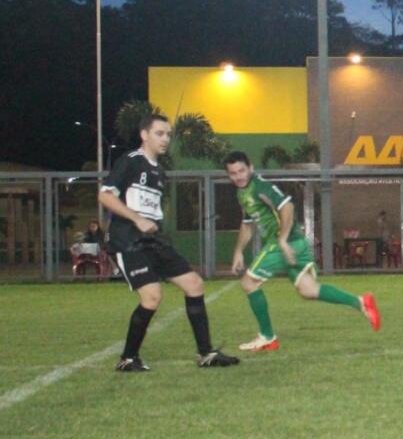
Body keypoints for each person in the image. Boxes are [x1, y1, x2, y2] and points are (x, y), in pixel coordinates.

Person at [98, 112, 239, 371]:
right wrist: (137, 219)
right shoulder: (130, 161)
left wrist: (155, 227)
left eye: (168, 135)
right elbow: (106, 196)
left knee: (194, 284)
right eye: (159, 134)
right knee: (152, 297)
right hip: (128, 240)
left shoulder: (159, 172)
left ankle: (206, 353)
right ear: (144, 135)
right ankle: (128, 358)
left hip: (154, 240)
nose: (165, 139)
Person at [224, 152, 381, 351]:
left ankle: (267, 337)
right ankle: (360, 302)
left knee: (248, 282)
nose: (238, 176)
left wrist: (281, 239)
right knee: (309, 290)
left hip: (283, 243)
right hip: (295, 243)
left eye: (241, 171)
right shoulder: (243, 192)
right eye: (233, 173)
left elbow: (287, 206)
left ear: (251, 168)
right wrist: (238, 251)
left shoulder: (260, 186)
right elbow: (247, 224)